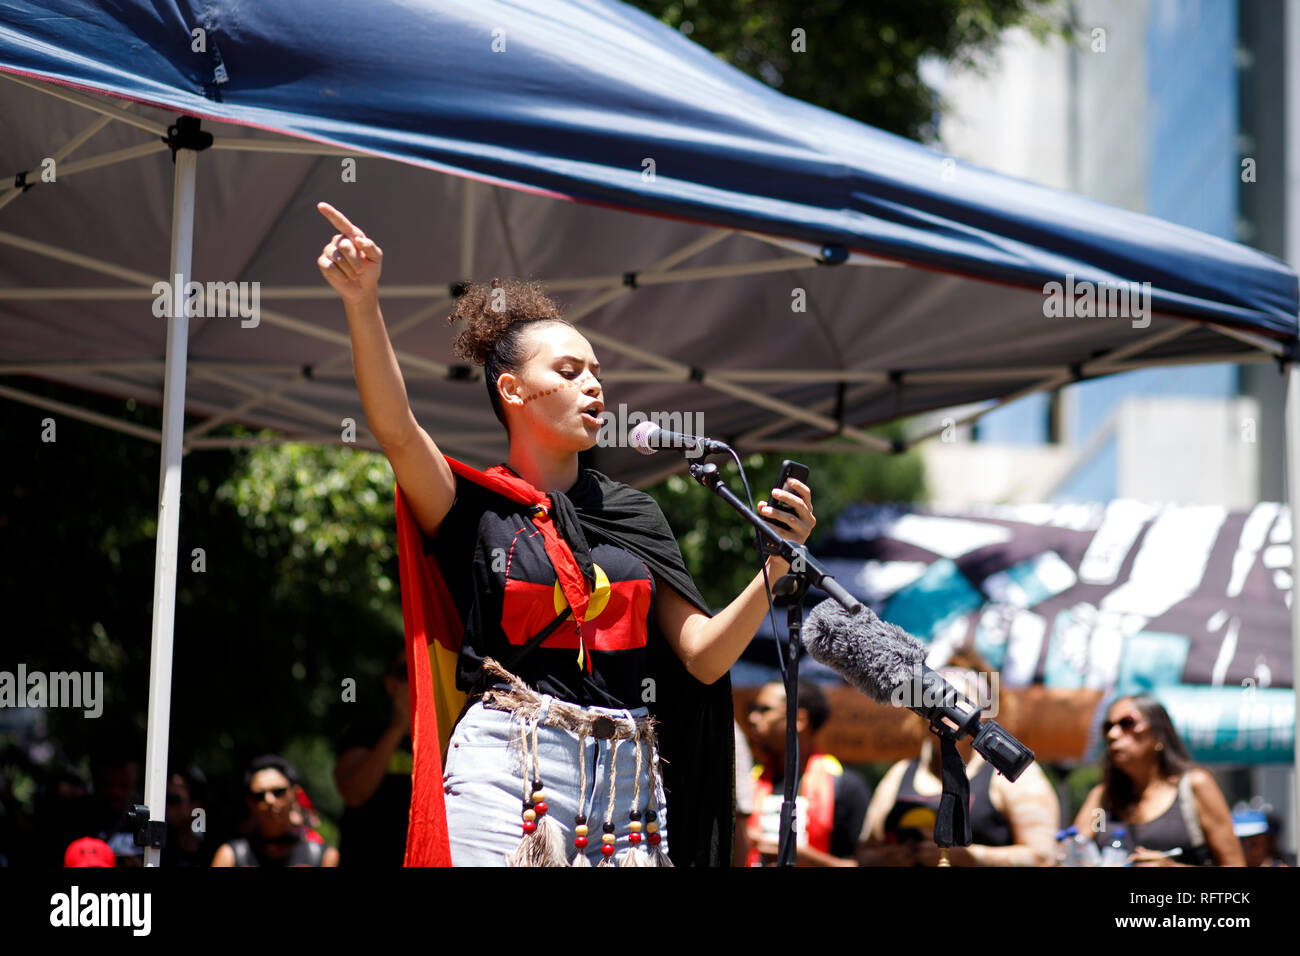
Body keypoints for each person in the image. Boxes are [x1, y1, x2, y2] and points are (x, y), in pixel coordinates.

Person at [315, 202, 816, 866]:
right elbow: (397, 428)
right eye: (569, 371)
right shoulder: (474, 507)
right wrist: (362, 302)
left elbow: (701, 656)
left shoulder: (635, 515)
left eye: (598, 373)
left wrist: (774, 570)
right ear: (513, 391)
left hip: (628, 791)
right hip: (506, 778)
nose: (594, 387)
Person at [859, 667, 1058, 866]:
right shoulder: (900, 773)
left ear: (981, 712)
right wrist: (887, 858)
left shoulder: (1009, 775)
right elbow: (865, 852)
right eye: (935, 703)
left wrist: (968, 857)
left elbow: (1043, 857)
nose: (946, 712)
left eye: (957, 702)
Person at [1073, 696, 1243, 866]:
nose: (1113, 734)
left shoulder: (1194, 786)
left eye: (1127, 723)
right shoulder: (1103, 798)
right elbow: (1072, 853)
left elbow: (1234, 863)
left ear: (1158, 733)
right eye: (1107, 727)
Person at [744, 680, 870, 866]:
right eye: (753, 709)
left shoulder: (846, 787)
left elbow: (861, 863)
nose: (753, 718)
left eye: (765, 710)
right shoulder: (749, 783)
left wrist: (800, 855)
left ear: (799, 720)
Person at [334, 652, 413, 866]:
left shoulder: (447, 739)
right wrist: (398, 727)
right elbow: (354, 793)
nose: (416, 679)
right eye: (407, 672)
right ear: (391, 684)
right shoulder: (363, 733)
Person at [211, 755, 339, 867]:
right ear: (250, 803)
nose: (269, 800)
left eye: (278, 792)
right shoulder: (229, 857)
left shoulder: (324, 857)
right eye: (259, 796)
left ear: (294, 794)